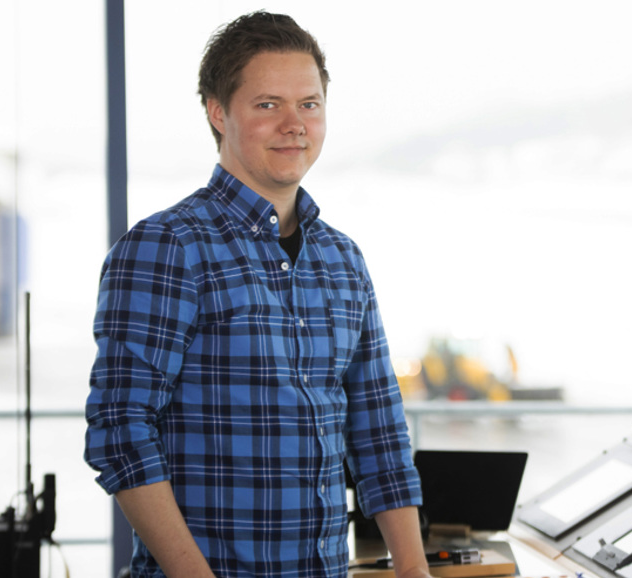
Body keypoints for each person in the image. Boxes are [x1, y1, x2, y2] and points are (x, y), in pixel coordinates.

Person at [84, 11, 430, 578]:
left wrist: (415, 573)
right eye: (268, 104)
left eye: (309, 104)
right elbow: (121, 430)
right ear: (219, 113)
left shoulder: (343, 260)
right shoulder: (167, 247)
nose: (295, 124)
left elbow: (379, 432)